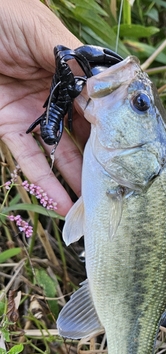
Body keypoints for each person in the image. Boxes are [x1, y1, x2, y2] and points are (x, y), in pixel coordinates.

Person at [0, 0, 89, 216]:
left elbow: (53, 106)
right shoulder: (61, 102)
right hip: (51, 120)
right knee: (59, 113)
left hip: (50, 119)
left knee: (56, 112)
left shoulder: (55, 101)